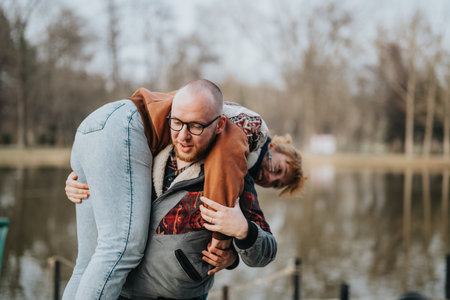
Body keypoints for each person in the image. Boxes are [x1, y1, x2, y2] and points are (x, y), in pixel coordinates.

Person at [63, 80, 277, 300]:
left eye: (196, 126)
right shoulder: (141, 151)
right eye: (177, 123)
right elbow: (114, 187)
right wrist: (86, 183)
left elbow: (267, 251)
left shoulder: (236, 175)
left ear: (220, 125)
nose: (183, 135)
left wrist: (243, 231)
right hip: (121, 293)